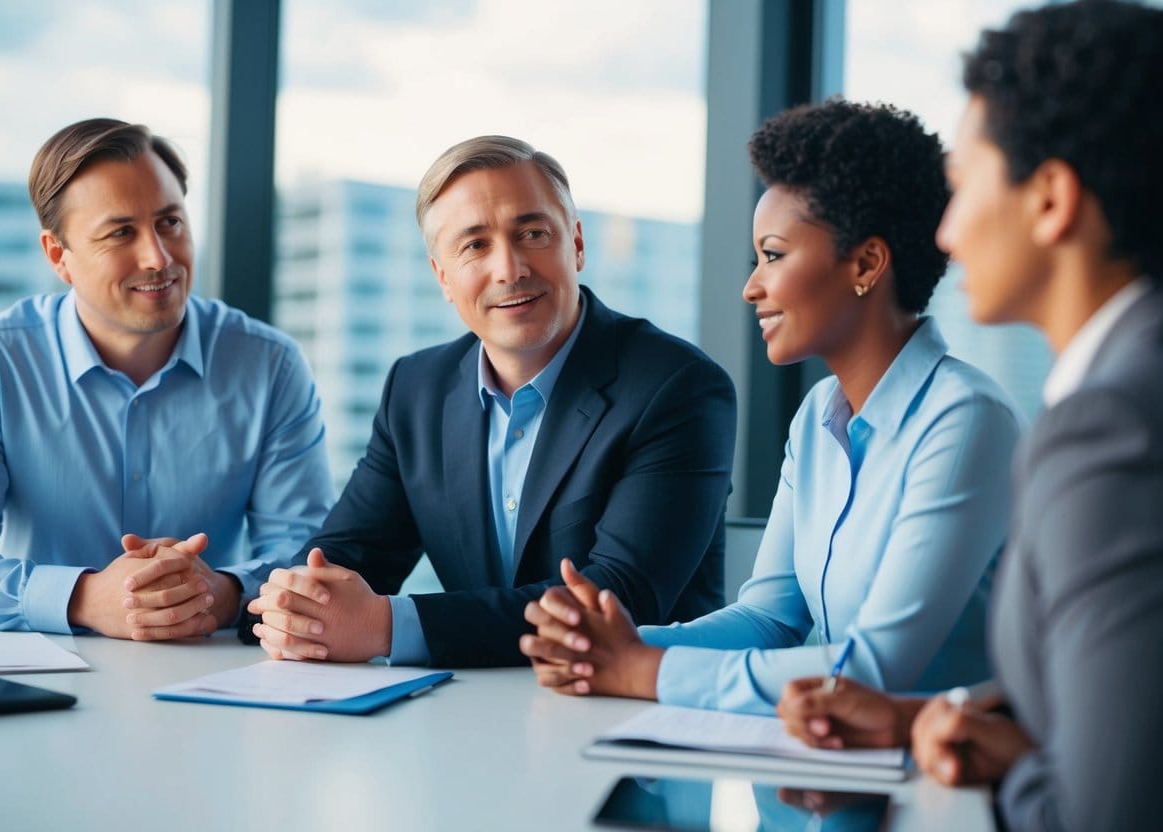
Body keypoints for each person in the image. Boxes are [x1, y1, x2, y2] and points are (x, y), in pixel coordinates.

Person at [776, 3, 1163, 829]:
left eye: (964, 186)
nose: (945, 234)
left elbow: (1102, 814)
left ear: (1050, 200)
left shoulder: (1111, 429)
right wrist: (926, 722)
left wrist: (979, 767)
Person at [519, 100, 1022, 712]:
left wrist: (641, 670)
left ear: (866, 263)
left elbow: (873, 668)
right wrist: (612, 646)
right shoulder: (817, 416)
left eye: (774, 255)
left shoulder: (965, 419)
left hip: (934, 785)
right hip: (817, 767)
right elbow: (768, 619)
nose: (751, 286)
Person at [245, 135, 736, 668]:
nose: (510, 268)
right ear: (443, 278)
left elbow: (617, 599)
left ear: (576, 244)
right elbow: (346, 556)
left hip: (631, 709)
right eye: (475, 245)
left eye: (532, 233)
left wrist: (388, 626)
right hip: (473, 717)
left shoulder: (676, 386)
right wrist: (278, 605)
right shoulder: (417, 389)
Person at [0, 118, 333, 640]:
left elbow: (302, 549)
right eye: (121, 232)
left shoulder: (271, 366)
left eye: (170, 222)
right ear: (59, 256)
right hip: (44, 670)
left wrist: (217, 593)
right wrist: (84, 598)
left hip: (210, 669)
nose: (159, 257)